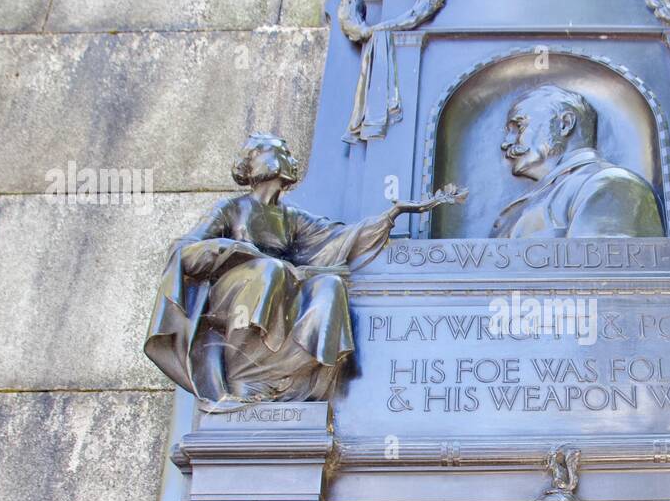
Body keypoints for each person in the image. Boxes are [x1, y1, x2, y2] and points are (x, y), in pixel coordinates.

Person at [145, 132, 463, 406]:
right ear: (253, 162)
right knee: (269, 271)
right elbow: (187, 250)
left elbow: (337, 237)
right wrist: (238, 251)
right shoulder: (232, 209)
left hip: (281, 289)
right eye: (277, 150)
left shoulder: (290, 217)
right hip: (234, 293)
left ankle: (287, 381)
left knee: (329, 287)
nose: (286, 156)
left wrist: (393, 213)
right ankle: (241, 374)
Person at [490, 85, 663, 238]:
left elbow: (605, 273)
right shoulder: (543, 193)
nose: (506, 143)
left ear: (565, 124)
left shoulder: (612, 185)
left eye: (519, 127)